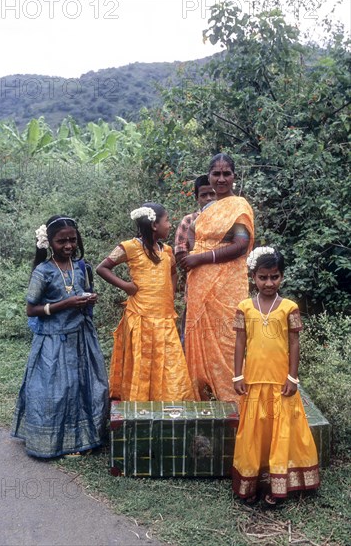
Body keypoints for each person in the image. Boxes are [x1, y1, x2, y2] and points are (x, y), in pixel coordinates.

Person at [11, 215, 109, 458]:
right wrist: (65, 304)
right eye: (61, 241)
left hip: (81, 338)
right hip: (54, 342)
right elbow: (31, 309)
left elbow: (86, 294)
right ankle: (55, 441)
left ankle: (84, 438)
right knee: (58, 391)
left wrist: (89, 299)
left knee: (86, 387)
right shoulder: (42, 272)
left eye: (72, 240)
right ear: (49, 243)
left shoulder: (82, 267)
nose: (68, 246)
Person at [232, 247, 320, 506]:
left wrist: (292, 378)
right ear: (253, 277)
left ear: (281, 277)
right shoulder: (244, 307)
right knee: (254, 433)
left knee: (281, 433)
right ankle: (250, 484)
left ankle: (279, 486)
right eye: (263, 277)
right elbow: (239, 343)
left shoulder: (289, 307)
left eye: (274, 277)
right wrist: (237, 376)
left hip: (280, 384)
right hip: (254, 381)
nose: (269, 283)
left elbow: (294, 343)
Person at [96, 202, 195, 401]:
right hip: (140, 317)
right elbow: (102, 268)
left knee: (170, 362)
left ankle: (171, 402)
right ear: (154, 225)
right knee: (143, 364)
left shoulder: (166, 251)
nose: (170, 225)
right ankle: (140, 404)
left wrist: (170, 293)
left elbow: (173, 272)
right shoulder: (129, 247)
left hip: (164, 317)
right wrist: (126, 286)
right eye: (167, 221)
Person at [180, 153, 254, 401]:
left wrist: (201, 258)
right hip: (201, 283)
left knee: (228, 339)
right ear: (209, 176)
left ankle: (235, 400)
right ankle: (202, 397)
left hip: (227, 284)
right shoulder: (208, 209)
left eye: (226, 174)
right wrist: (195, 251)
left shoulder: (238, 206)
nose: (221, 179)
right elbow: (193, 234)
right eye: (216, 174)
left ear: (234, 176)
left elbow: (241, 245)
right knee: (201, 339)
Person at [174, 174, 216, 266]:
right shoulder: (189, 220)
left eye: (212, 194)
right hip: (198, 274)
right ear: (197, 198)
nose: (209, 198)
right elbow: (180, 252)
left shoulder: (228, 217)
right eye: (204, 195)